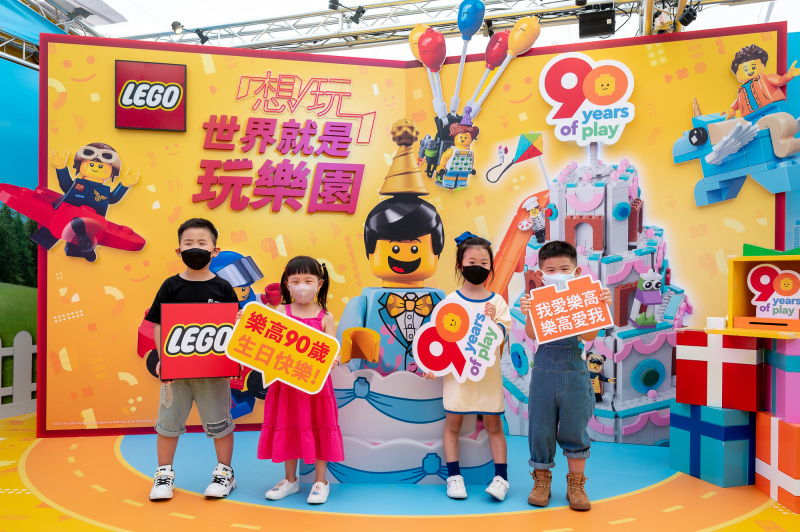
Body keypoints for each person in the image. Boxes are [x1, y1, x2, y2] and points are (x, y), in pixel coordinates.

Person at [145, 218, 239, 501]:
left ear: (215, 250)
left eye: (201, 243)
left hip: (214, 373)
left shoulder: (223, 288)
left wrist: (233, 356)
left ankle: (225, 473)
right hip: (175, 375)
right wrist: (163, 358)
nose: (195, 248)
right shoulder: (171, 286)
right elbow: (159, 324)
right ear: (179, 250)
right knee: (167, 423)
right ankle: (164, 474)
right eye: (188, 243)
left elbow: (232, 329)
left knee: (221, 424)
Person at [520, 240, 612, 511]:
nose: (557, 274)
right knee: (540, 428)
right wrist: (529, 311)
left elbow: (589, 335)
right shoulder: (537, 298)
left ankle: (577, 485)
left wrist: (597, 305)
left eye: (564, 268)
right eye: (550, 270)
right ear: (541, 273)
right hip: (543, 375)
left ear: (577, 271)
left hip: (575, 373)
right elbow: (532, 334)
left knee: (575, 428)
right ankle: (541, 481)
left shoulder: (583, 296)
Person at [425, 232, 512, 501]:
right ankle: (454, 477)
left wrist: (492, 322)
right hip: (457, 375)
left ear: (491, 266)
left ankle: (501, 479)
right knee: (453, 423)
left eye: (484, 263)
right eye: (472, 262)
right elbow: (437, 339)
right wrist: (431, 365)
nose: (478, 267)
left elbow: (501, 338)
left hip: (487, 377)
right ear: (460, 266)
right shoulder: (450, 302)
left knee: (494, 425)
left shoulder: (497, 302)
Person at [258, 256, 344, 504]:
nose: (302, 286)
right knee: (289, 426)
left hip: (316, 387)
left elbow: (333, 349)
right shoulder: (280, 312)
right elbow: (267, 343)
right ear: (287, 284)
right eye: (295, 281)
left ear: (319, 283)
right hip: (286, 386)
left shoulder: (326, 316)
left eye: (308, 280)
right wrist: (246, 322)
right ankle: (290, 480)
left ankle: (320, 481)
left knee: (320, 426)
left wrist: (334, 359)